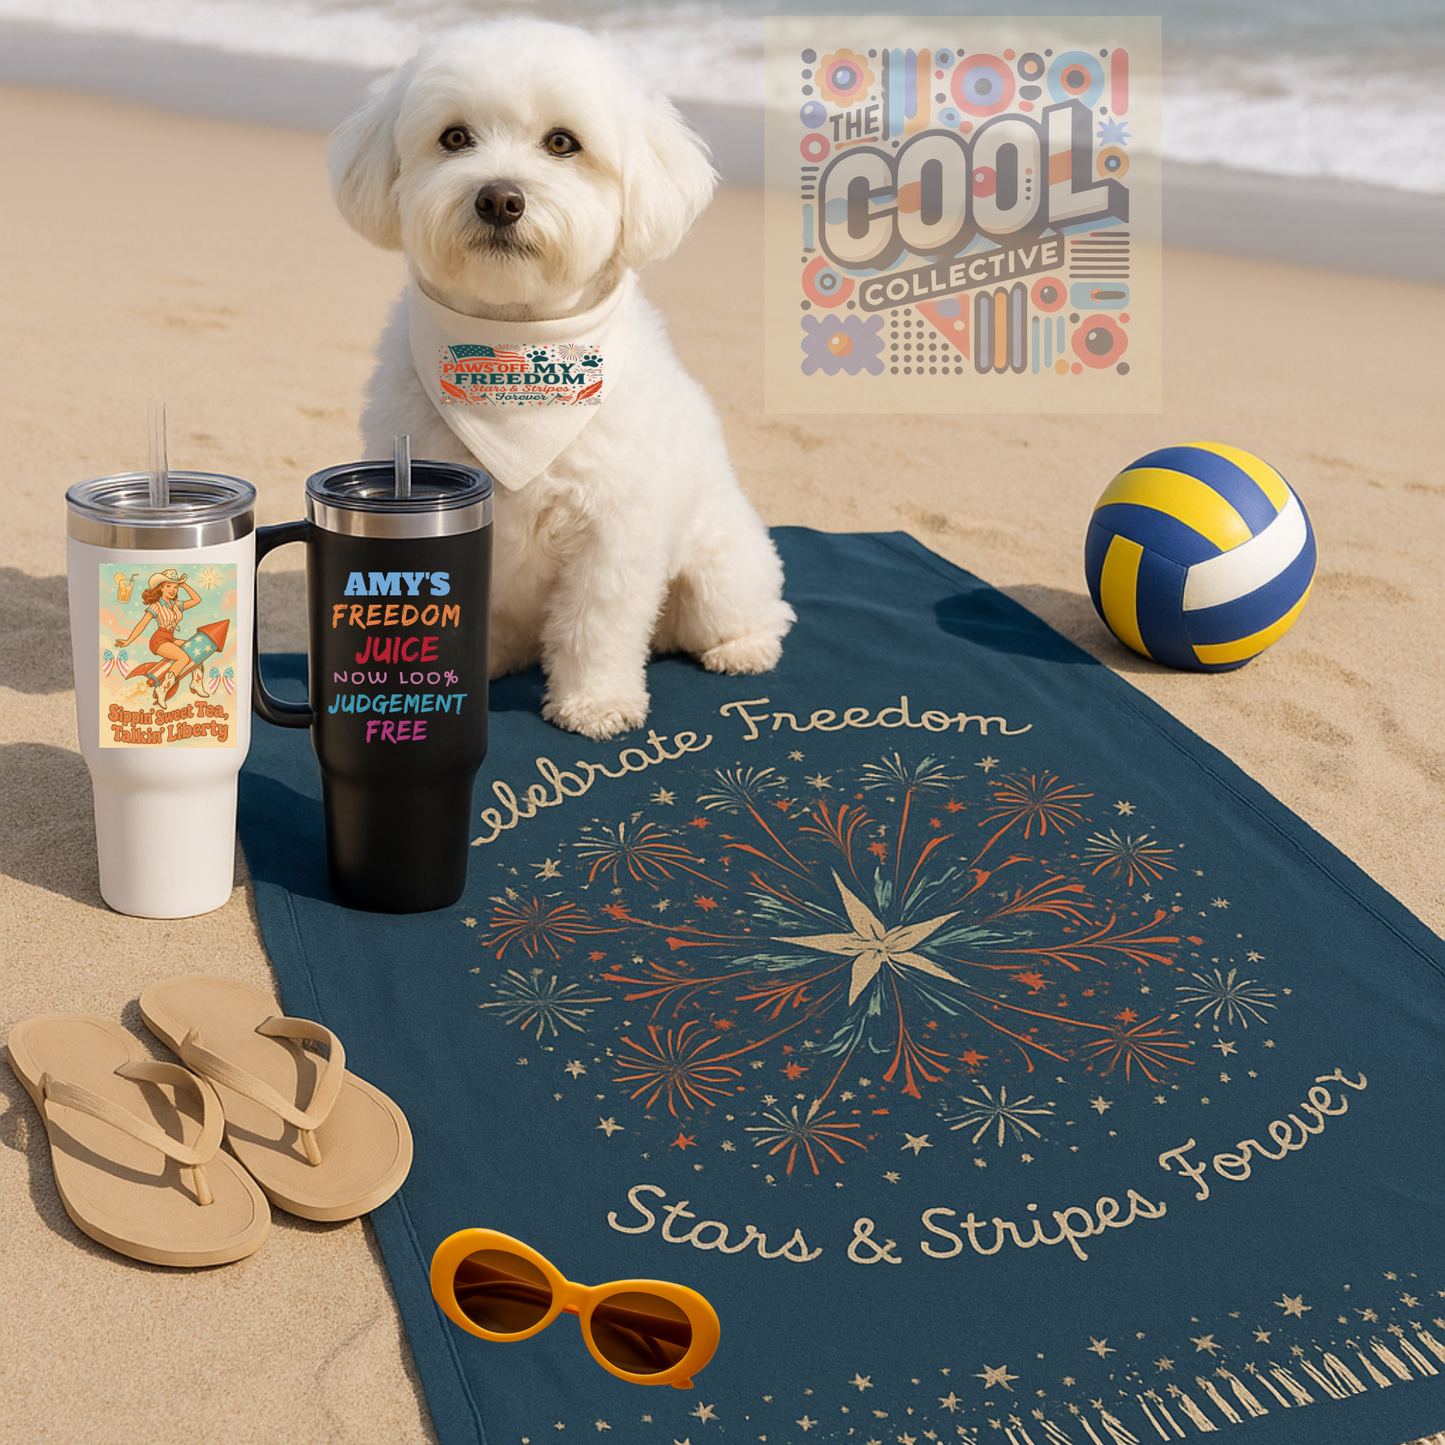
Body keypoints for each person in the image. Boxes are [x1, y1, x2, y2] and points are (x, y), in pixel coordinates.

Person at [114, 570, 209, 706]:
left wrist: (184, 585)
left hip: (170, 638)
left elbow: (196, 600)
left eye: (175, 587)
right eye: (169, 586)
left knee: (197, 650)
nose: (173, 590)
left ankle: (196, 683)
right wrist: (129, 640)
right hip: (159, 640)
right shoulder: (156, 606)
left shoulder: (176, 605)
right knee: (183, 658)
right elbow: (142, 624)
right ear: (161, 587)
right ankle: (162, 689)